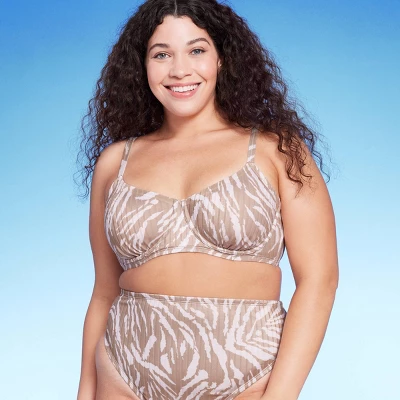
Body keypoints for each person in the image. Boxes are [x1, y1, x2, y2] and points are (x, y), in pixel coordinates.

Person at [76, 0, 338, 399]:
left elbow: (319, 280)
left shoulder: (277, 151)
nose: (180, 70)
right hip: (123, 373)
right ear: (141, 66)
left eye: (196, 50)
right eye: (161, 54)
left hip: (249, 376)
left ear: (221, 59)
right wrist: (85, 392)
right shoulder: (115, 162)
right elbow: (104, 293)